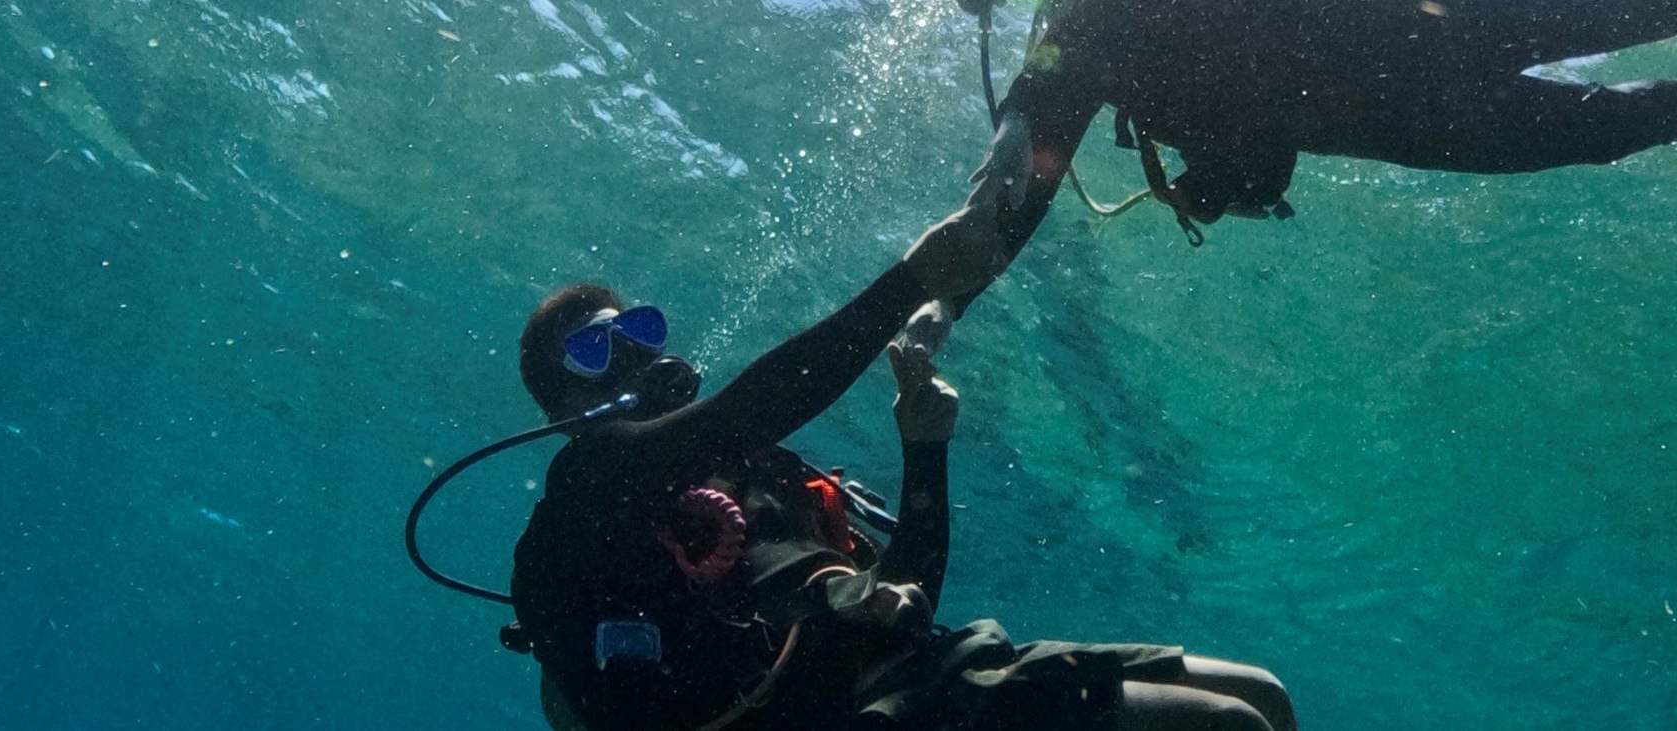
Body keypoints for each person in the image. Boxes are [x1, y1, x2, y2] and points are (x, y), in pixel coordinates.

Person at [503, 207, 1295, 730]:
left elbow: (909, 592)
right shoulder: (586, 492)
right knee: (1232, 726)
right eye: (591, 347)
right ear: (559, 409)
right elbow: (756, 402)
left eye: (637, 326)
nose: (633, 350)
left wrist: (925, 448)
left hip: (913, 678)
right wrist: (911, 279)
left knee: (1264, 695)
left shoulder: (760, 473)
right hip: (841, 715)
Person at [952, 0, 1677, 249]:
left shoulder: (1079, 29)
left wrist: (1014, 129)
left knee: (1646, 13)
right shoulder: (1071, 48)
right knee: (1610, 125)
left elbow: (1046, 87)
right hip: (1407, 113)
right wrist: (1217, 182)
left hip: (1417, 30)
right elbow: (1047, 102)